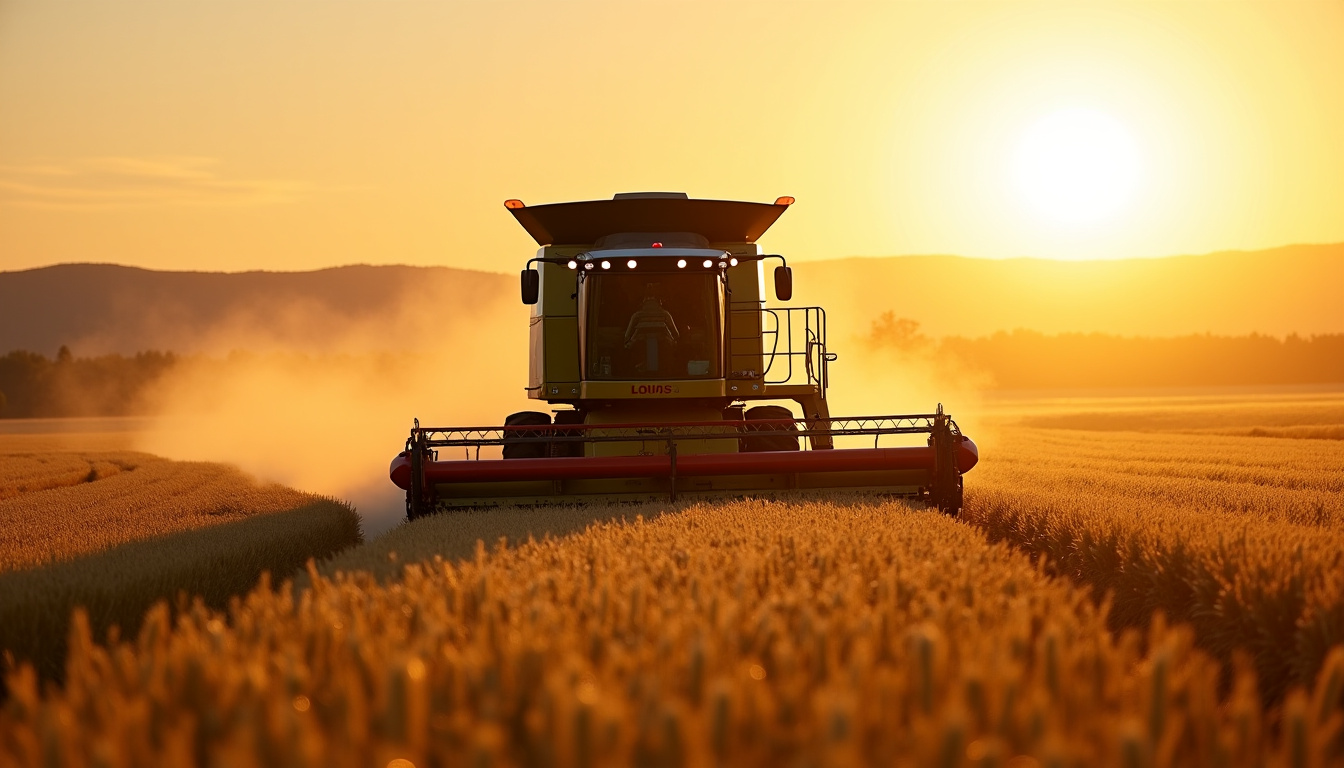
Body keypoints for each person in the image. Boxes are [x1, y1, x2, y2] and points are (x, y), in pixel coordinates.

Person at [624, 285, 679, 373]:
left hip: (639, 361)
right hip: (665, 366)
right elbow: (675, 334)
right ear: (660, 301)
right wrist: (674, 341)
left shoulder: (637, 315)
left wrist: (628, 343)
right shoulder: (665, 314)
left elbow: (627, 335)